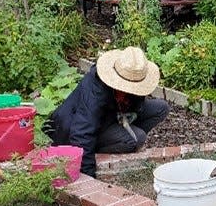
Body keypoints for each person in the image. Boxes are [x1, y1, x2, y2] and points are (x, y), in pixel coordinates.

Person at [45, 47, 170, 178]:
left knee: (161, 108)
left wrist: (131, 112)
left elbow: (138, 104)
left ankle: (121, 137)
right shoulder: (95, 91)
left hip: (113, 117)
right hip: (74, 130)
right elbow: (81, 133)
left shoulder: (134, 78)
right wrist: (88, 175)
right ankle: (121, 141)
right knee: (136, 139)